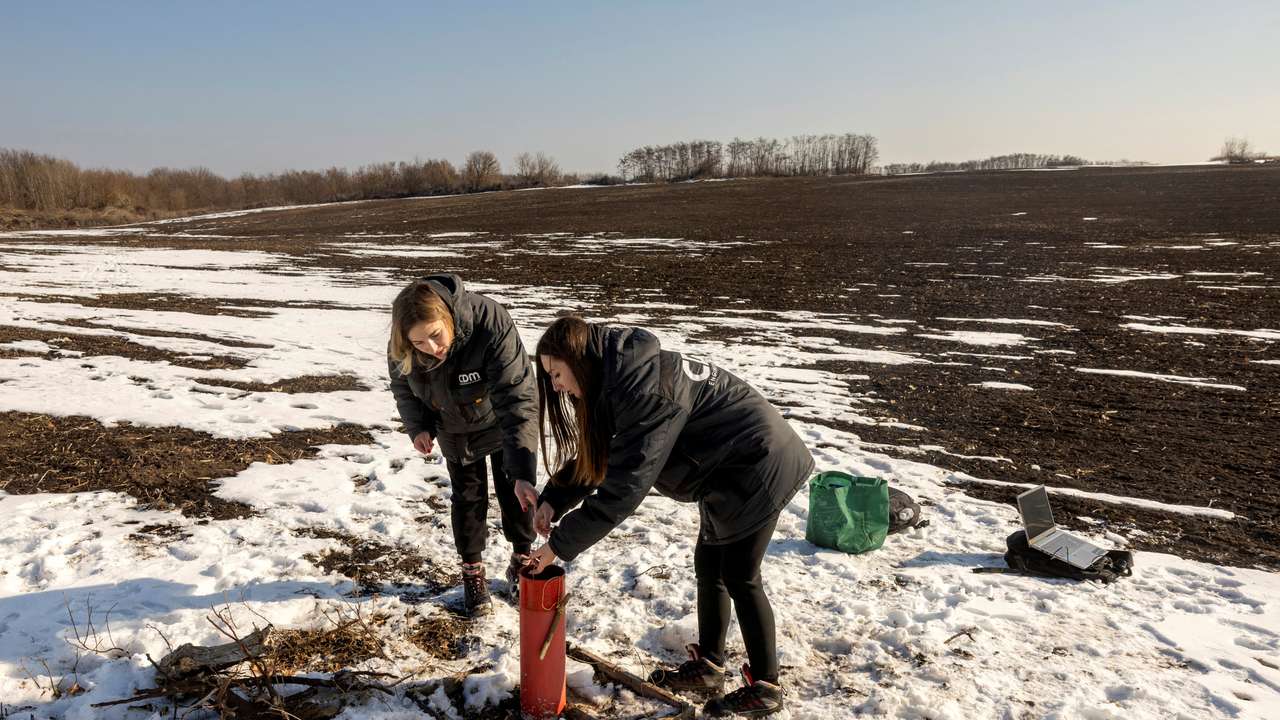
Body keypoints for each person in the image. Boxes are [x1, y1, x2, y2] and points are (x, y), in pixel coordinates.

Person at [520, 317, 813, 718]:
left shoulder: (644, 391)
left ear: (578, 361)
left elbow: (624, 487)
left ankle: (766, 686)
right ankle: (709, 666)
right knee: (709, 566)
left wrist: (557, 547)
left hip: (760, 463)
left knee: (740, 575)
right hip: (723, 467)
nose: (555, 386)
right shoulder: (616, 379)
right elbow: (604, 455)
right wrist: (555, 498)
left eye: (556, 374)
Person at [388, 274, 538, 618]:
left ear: (448, 315)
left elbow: (516, 395)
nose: (431, 348)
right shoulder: (403, 341)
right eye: (419, 343)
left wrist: (524, 470)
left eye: (436, 335)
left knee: (514, 489)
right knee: (468, 497)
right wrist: (418, 427)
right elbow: (403, 387)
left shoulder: (489, 322)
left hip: (500, 419)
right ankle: (473, 572)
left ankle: (522, 559)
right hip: (452, 425)